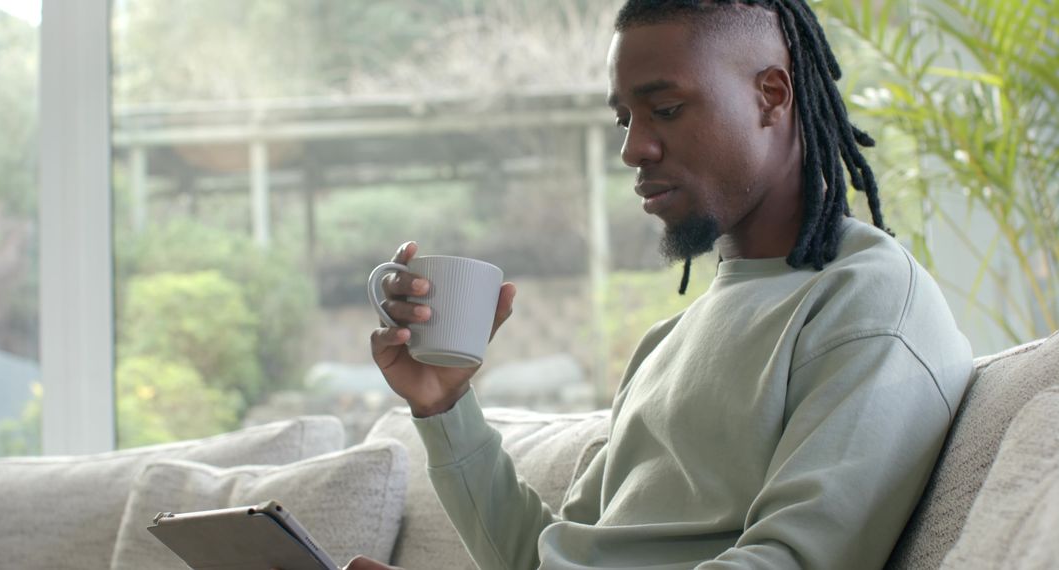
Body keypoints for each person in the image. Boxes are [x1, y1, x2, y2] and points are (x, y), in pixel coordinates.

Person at [355, 1, 973, 568]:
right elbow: (547, 559)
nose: (632, 148)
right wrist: (441, 403)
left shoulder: (867, 300)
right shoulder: (665, 344)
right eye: (625, 118)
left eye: (666, 109)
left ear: (772, 95)